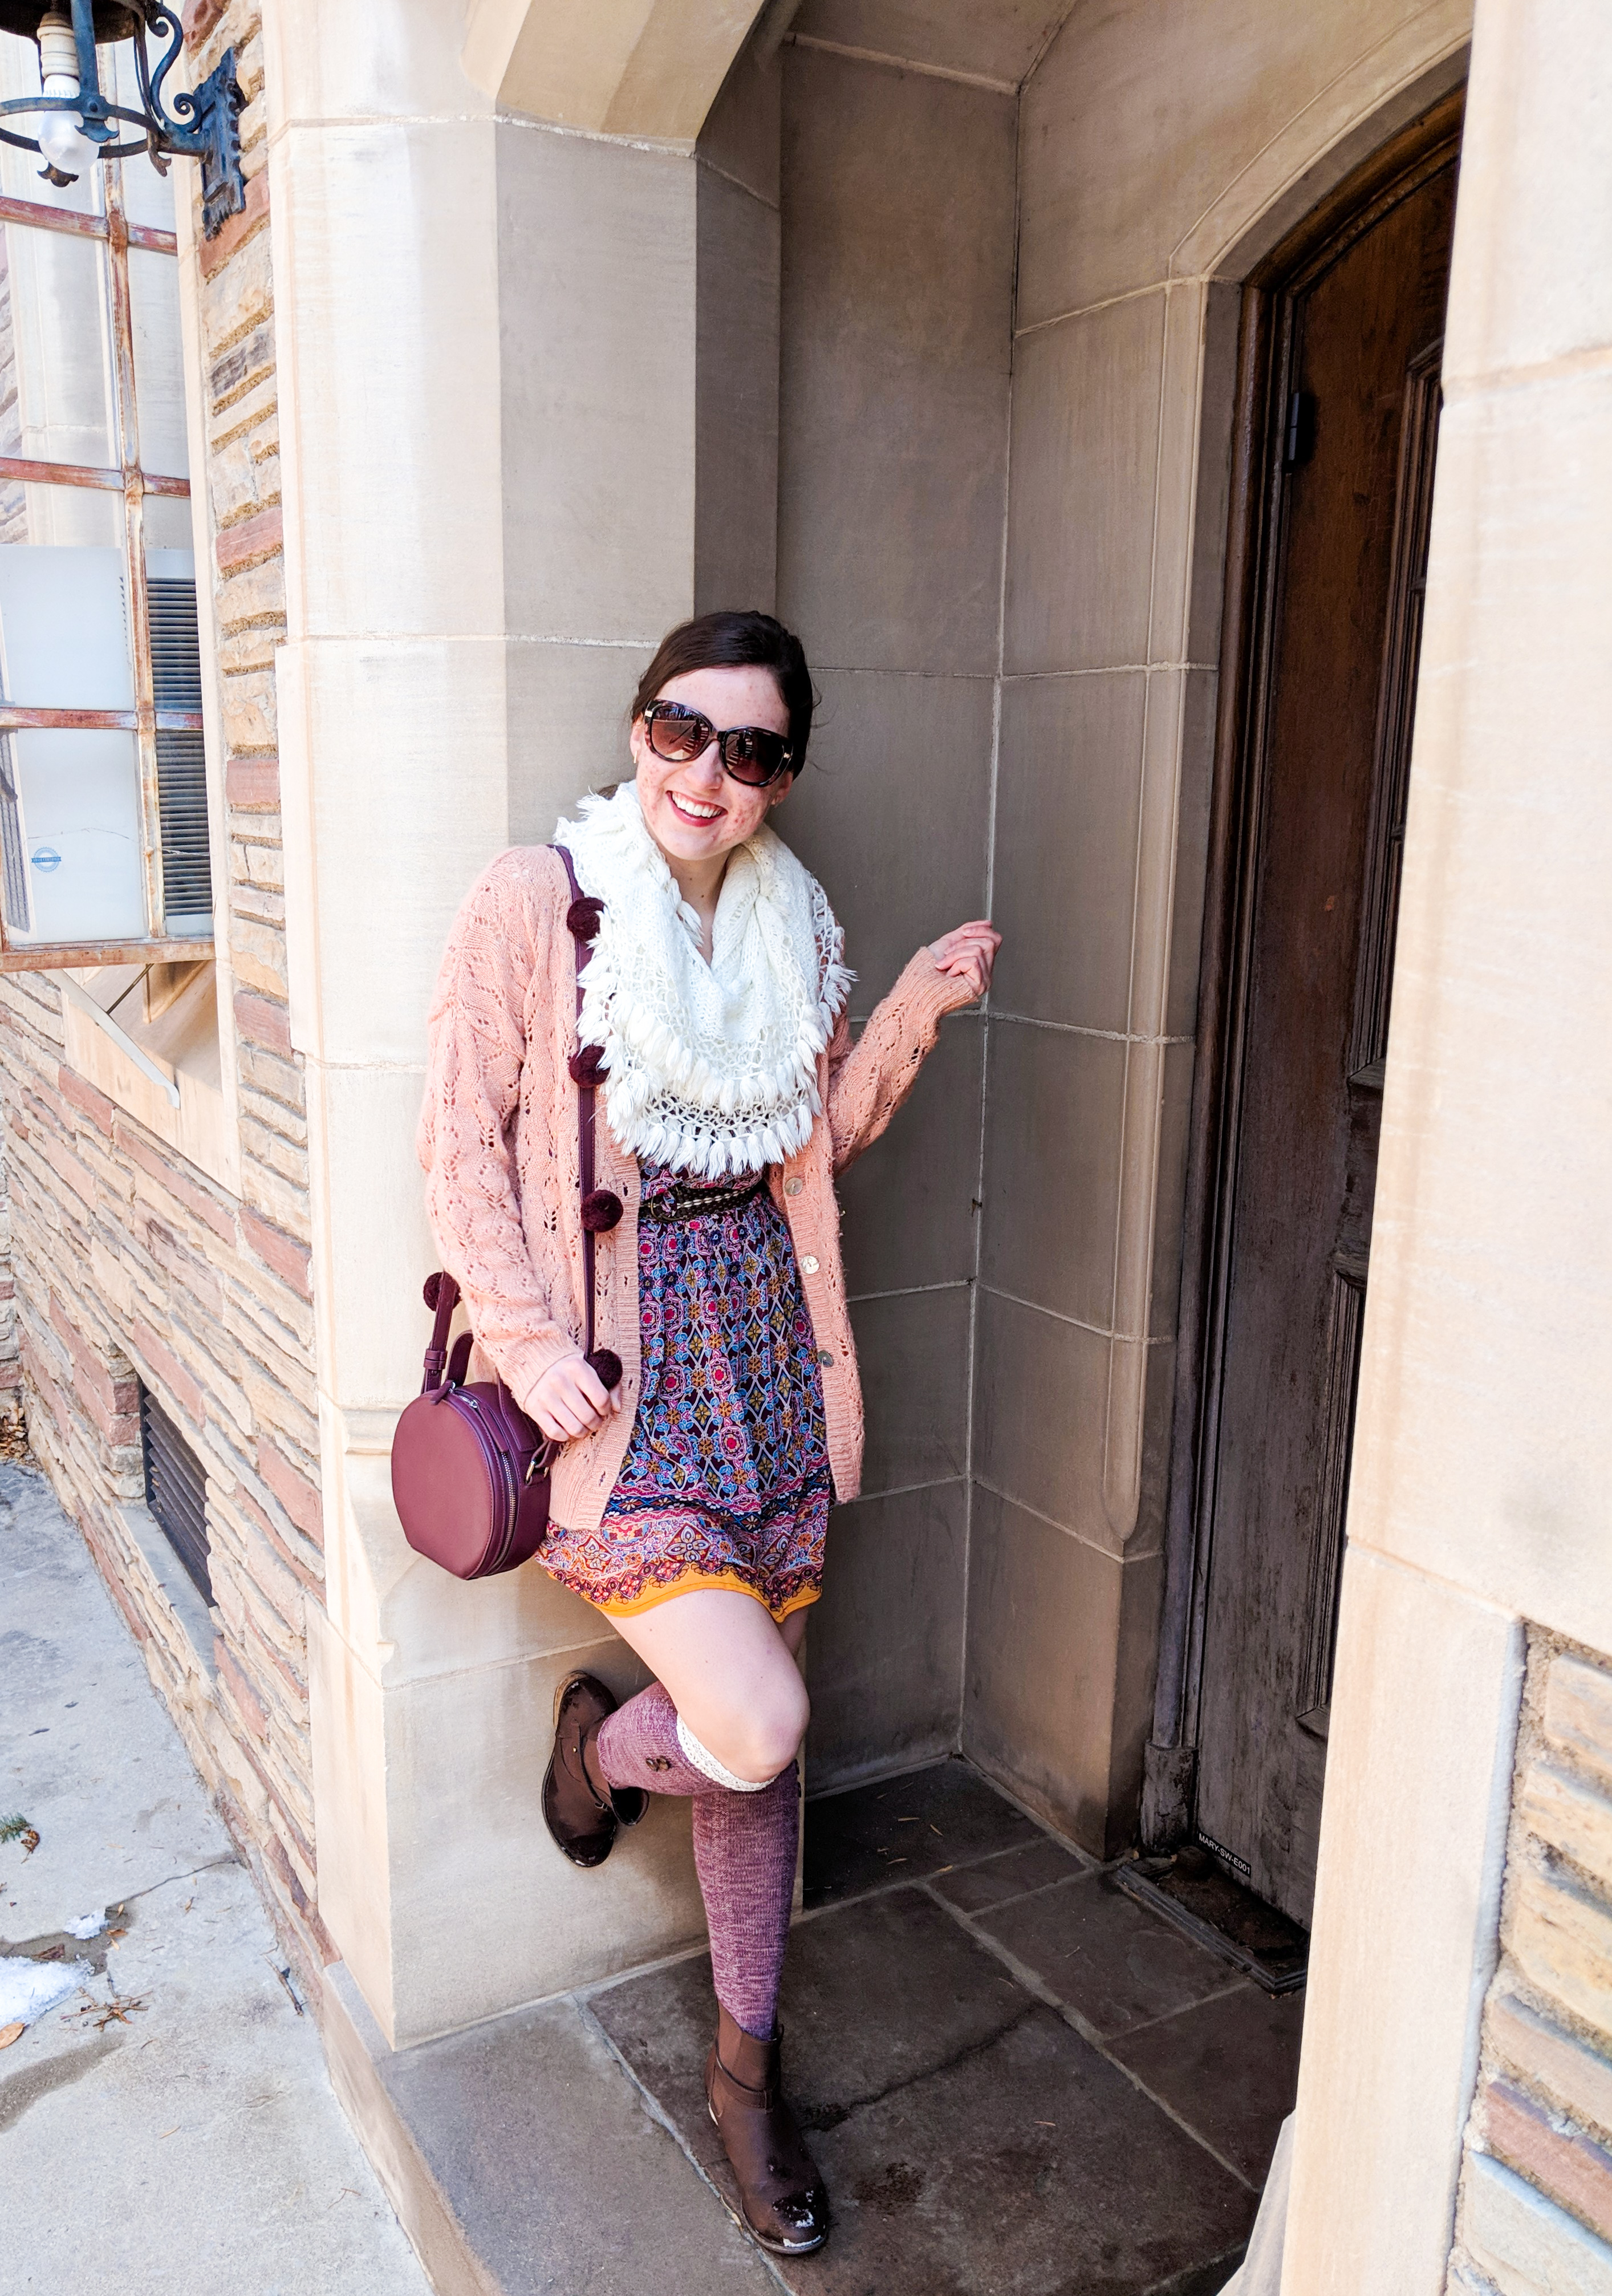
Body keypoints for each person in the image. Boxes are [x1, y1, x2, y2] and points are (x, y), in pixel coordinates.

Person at [418, 609, 998, 2255]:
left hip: (769, 1378)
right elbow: (458, 1142)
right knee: (756, 1716)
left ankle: (746, 2072)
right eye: (683, 730)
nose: (707, 773)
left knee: (760, 1750)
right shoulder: (538, 902)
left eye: (750, 750)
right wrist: (528, 1345)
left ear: (781, 777)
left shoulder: (789, 926)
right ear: (639, 729)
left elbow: (813, 1137)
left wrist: (907, 1011)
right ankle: (600, 1753)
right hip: (620, 1402)